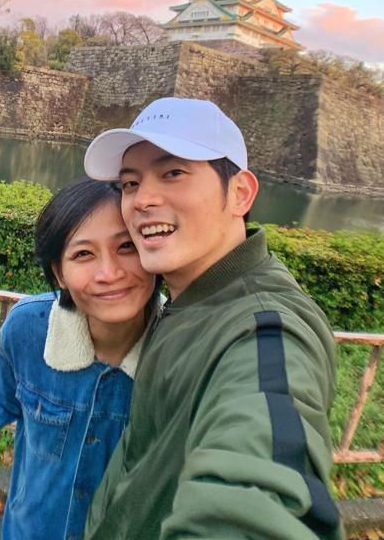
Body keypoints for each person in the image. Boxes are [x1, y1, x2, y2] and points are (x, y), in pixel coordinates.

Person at [83, 97, 345, 540]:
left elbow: (256, 491)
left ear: (239, 193)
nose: (142, 200)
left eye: (173, 173)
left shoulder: (266, 329)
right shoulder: (187, 297)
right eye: (130, 183)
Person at [0, 178, 159, 540]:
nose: (110, 273)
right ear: (59, 273)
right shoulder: (30, 329)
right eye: (83, 254)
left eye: (127, 246)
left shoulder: (185, 350)